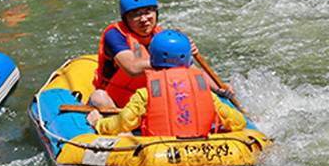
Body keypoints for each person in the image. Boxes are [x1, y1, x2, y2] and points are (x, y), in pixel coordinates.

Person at [87, 30, 244, 137]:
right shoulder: (206, 94)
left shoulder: (146, 94)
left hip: (160, 152)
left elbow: (123, 122)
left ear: (153, 58)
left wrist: (99, 124)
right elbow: (238, 121)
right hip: (201, 150)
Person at [89, 0, 165, 110]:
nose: (144, 19)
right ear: (126, 19)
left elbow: (191, 69)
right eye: (136, 14)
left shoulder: (162, 36)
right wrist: (171, 60)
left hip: (147, 99)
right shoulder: (114, 35)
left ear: (156, 13)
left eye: (148, 12)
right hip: (115, 102)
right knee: (99, 97)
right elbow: (132, 68)